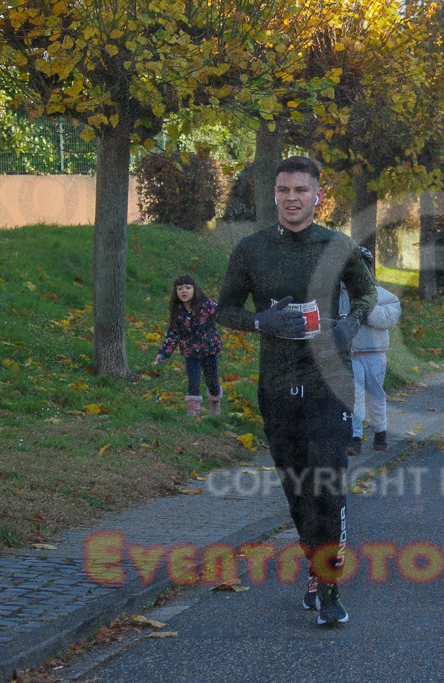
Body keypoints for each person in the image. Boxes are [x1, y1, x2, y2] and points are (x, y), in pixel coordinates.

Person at [217, 156, 377, 627]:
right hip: (278, 385)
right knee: (296, 490)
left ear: (317, 196)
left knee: (327, 486)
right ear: (275, 195)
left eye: (301, 190)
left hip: (330, 384)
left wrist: (350, 325)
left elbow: (367, 293)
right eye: (284, 189)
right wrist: (259, 321)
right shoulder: (251, 250)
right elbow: (224, 309)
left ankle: (328, 588)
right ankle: (314, 564)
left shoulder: (339, 245)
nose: (292, 198)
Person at [340, 248, 402, 455]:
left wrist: (364, 308)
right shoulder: (338, 296)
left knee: (376, 394)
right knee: (354, 397)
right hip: (351, 354)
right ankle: (354, 436)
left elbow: (388, 319)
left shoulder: (382, 295)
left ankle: (380, 432)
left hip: (374, 353)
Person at [154, 275, 224, 417]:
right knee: (193, 379)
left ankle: (215, 402)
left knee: (211, 380)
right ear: (176, 292)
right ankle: (193, 410)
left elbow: (222, 315)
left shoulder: (207, 305)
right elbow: (172, 334)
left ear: (195, 289)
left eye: (187, 288)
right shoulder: (177, 311)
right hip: (190, 351)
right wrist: (163, 353)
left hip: (209, 349)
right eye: (180, 289)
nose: (184, 291)